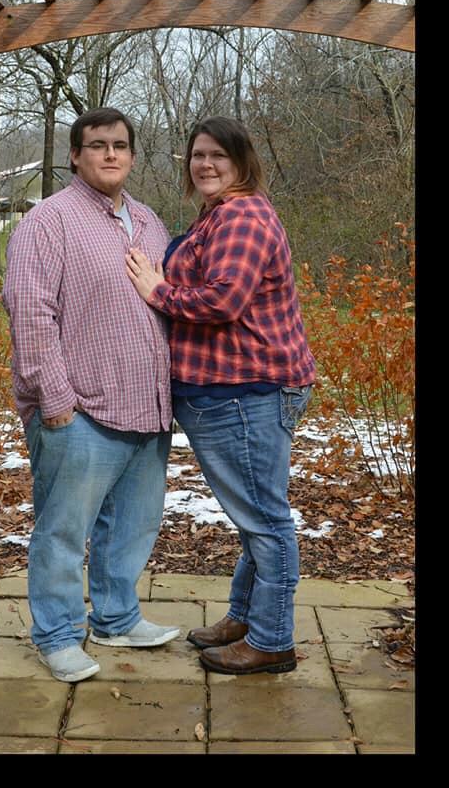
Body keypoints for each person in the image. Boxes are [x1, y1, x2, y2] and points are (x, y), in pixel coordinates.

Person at [126, 116, 316, 676]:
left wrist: (158, 290)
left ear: (242, 162)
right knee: (255, 516)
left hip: (245, 392)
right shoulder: (218, 213)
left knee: (265, 521)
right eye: (198, 155)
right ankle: (247, 618)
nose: (205, 164)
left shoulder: (242, 216)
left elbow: (223, 300)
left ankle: (272, 641)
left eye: (219, 156)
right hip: (234, 392)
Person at [2, 107, 179, 683]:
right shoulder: (48, 221)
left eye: (120, 145)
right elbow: (30, 312)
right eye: (97, 145)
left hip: (146, 407)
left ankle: (117, 618)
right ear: (76, 155)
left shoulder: (149, 222)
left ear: (132, 156)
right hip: (78, 412)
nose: (110, 154)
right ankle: (57, 635)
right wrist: (55, 401)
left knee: (131, 526)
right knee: (62, 532)